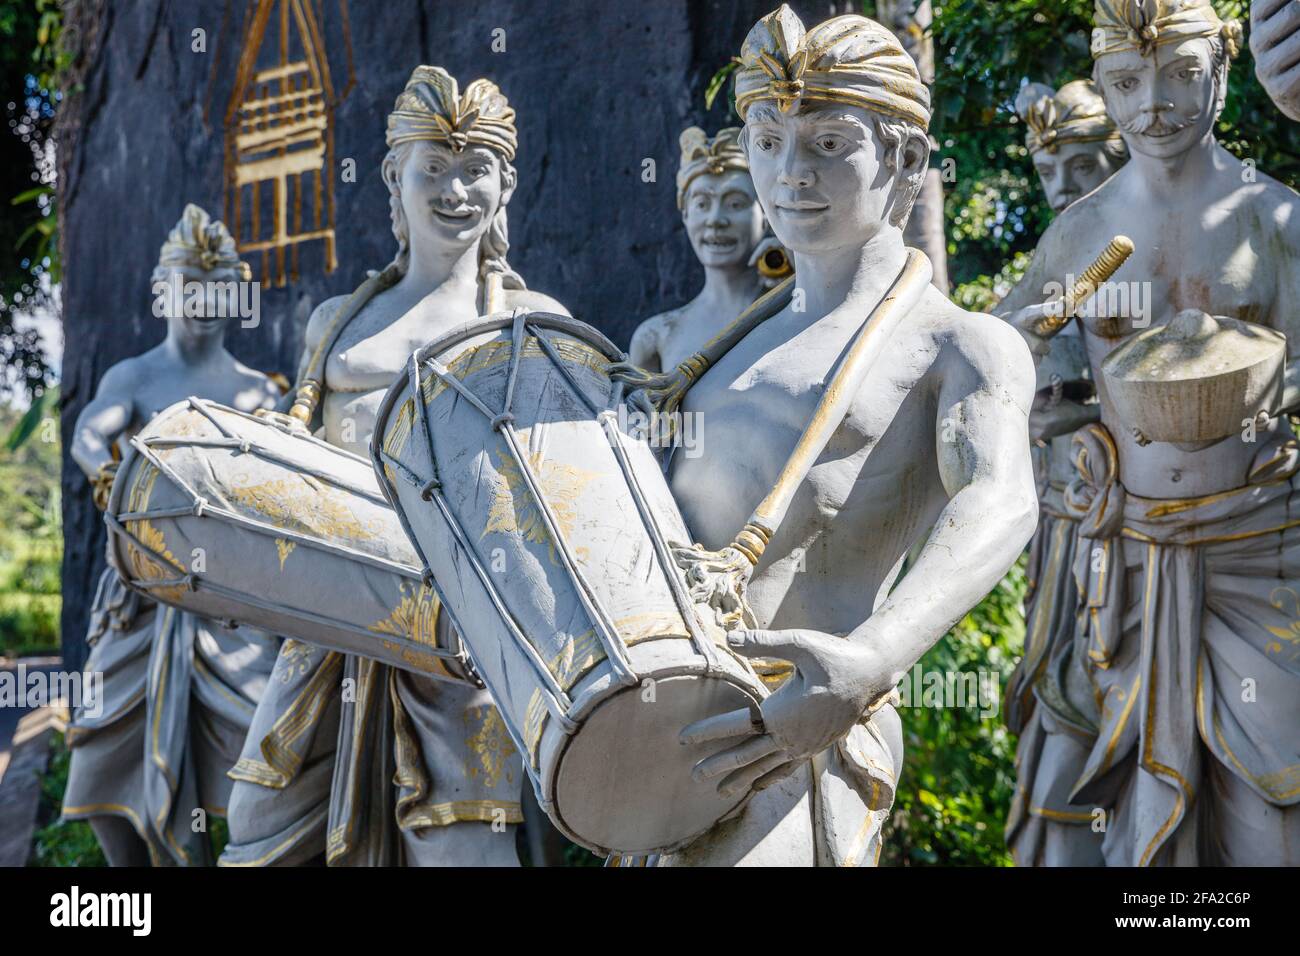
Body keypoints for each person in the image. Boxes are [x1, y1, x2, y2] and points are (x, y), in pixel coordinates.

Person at [613, 5, 1038, 865]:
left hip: (801, 738)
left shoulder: (958, 344)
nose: (789, 173)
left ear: (908, 160)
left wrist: (873, 659)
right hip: (665, 738)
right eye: (768, 141)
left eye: (829, 144)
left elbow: (1002, 500)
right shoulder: (721, 351)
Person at [221, 66, 569, 867]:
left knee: (462, 849)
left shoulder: (532, 325)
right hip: (333, 617)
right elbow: (299, 455)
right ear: (393, 177)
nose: (455, 191)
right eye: (434, 168)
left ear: (506, 183)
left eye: (476, 168)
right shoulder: (336, 323)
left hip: (467, 633)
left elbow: (567, 495)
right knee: (256, 829)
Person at [999, 0, 1300, 865]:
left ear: (1224, 70)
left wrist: (1256, 394)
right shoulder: (1077, 234)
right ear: (1102, 84)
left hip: (1260, 561)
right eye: (1127, 82)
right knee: (1131, 834)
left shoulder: (1277, 222)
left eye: (1180, 75)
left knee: (1271, 819)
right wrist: (1029, 381)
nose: (1154, 104)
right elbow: (1030, 387)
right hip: (1124, 574)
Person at [63, 204, 283, 865]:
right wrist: (113, 481)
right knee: (99, 747)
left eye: (221, 288)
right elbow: (87, 434)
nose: (207, 302)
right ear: (166, 292)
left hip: (232, 605)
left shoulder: (260, 392)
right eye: (193, 287)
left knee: (261, 753)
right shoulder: (133, 377)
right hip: (139, 597)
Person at [1002, 77, 1127, 863]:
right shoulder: (1059, 260)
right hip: (1065, 543)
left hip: (1163, 534)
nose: (1064, 190)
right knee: (1061, 727)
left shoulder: (1169, 240)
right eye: (1050, 174)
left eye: (1082, 168)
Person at [628, 127, 781, 373]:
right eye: (701, 204)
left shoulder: (796, 308)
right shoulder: (656, 336)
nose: (715, 220)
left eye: (735, 203)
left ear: (765, 215)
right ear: (685, 215)